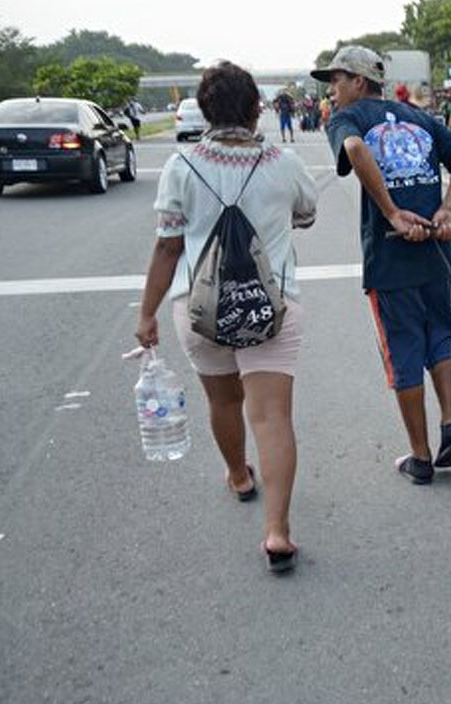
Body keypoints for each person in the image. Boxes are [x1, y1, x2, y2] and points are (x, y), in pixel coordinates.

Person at [136, 61, 317, 573]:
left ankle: (239, 475)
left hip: (199, 307)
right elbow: (306, 213)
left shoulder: (180, 166)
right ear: (257, 109)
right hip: (273, 304)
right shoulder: (282, 162)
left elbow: (168, 247)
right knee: (272, 415)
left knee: (223, 398)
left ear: (205, 109)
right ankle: (277, 532)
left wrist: (147, 313)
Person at [313, 46, 451, 485]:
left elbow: (354, 149)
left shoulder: (348, 119)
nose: (331, 90)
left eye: (337, 79)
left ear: (360, 82)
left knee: (403, 350)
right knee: (439, 335)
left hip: (391, 257)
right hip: (437, 252)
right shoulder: (417, 115)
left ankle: (421, 457)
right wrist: (447, 209)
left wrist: (390, 212)